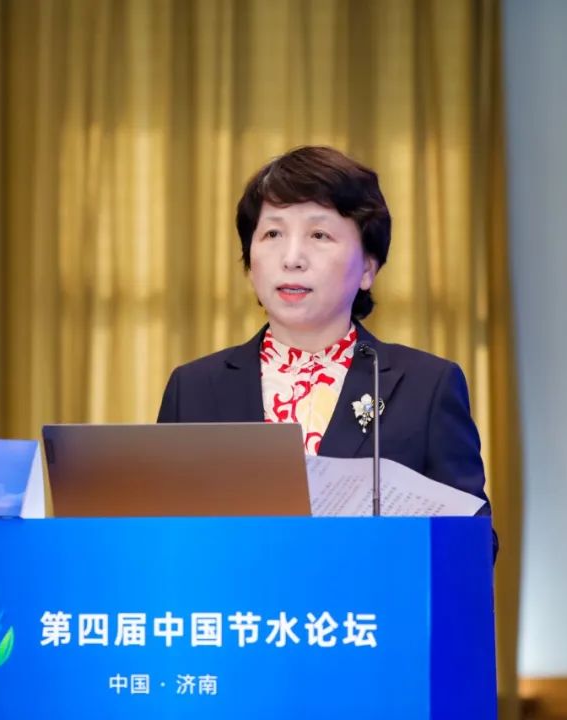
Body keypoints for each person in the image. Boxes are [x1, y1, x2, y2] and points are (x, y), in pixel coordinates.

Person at [157, 146, 494, 550]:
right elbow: (158, 541)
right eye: (272, 234)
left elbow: (473, 546)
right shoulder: (194, 388)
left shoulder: (427, 387)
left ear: (367, 268)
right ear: (249, 260)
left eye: (319, 235)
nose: (292, 258)